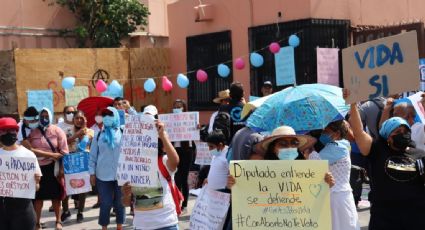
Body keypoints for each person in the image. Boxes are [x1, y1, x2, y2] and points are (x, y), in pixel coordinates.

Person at [347, 89, 425, 230]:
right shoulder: (378, 151)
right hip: (385, 220)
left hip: (416, 219)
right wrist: (352, 104)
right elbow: (358, 132)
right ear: (388, 136)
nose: (403, 135)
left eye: (406, 131)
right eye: (398, 132)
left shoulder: (419, 154)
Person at [122, 119, 180, 230]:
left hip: (166, 223)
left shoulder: (163, 161)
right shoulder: (130, 167)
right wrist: (126, 194)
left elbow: (175, 161)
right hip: (141, 225)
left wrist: (163, 135)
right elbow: (126, 203)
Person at [309, 120, 360, 230]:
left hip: (336, 196)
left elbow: (314, 162)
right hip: (339, 195)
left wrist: (309, 146)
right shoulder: (342, 145)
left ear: (336, 133)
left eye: (326, 131)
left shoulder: (336, 147)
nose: (323, 134)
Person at [27, 108, 69, 230]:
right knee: (38, 197)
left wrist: (61, 169)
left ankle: (58, 221)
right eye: (42, 116)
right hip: (37, 168)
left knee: (55, 196)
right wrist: (48, 154)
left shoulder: (57, 130)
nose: (44, 118)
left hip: (53, 167)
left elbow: (64, 152)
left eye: (46, 116)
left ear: (50, 116)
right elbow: (28, 150)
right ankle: (37, 223)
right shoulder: (32, 131)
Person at [0, 117, 42, 230]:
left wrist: (36, 182)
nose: (7, 133)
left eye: (11, 130)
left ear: (16, 132)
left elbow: (37, 188)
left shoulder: (28, 155)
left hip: (23, 211)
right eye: (3, 131)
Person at [89, 107, 125, 230]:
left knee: (120, 203)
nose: (107, 118)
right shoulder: (98, 134)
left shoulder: (123, 132)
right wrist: (92, 173)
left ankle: (119, 226)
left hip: (122, 174)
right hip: (102, 175)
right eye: (104, 115)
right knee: (106, 203)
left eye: (110, 115)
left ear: (115, 116)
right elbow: (93, 155)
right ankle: (104, 227)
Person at [61, 110, 94, 223]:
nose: (79, 120)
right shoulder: (67, 131)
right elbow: (63, 144)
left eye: (81, 118)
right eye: (77, 118)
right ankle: (66, 211)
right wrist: (76, 134)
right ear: (73, 119)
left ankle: (80, 212)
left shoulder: (90, 131)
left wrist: (83, 132)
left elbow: (85, 145)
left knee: (82, 189)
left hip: (83, 163)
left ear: (84, 119)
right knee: (66, 189)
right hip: (69, 161)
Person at [172, 99, 195, 212]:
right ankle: (176, 202)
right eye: (176, 106)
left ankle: (184, 204)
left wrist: (197, 127)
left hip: (187, 150)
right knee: (176, 178)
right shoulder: (170, 120)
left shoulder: (189, 118)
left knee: (183, 177)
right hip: (175, 149)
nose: (178, 108)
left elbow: (195, 133)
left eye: (180, 106)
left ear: (184, 108)